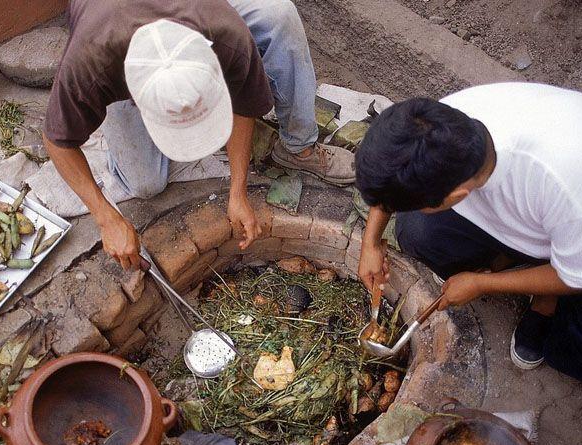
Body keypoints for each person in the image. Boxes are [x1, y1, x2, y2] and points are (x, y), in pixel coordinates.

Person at [355, 82, 582, 398]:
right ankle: (524, 262)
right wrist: (370, 243)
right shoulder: (439, 124)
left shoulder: (569, 185)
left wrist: (484, 284)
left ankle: (548, 303)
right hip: (540, 220)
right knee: (416, 232)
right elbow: (391, 177)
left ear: (457, 195)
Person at [43, 0, 354, 271]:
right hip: (113, 26)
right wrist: (106, 218)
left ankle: (298, 146)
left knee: (280, 15)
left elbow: (244, 103)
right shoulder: (89, 66)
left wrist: (238, 190)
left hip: (194, 12)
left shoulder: (226, 34)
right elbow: (56, 141)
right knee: (145, 183)